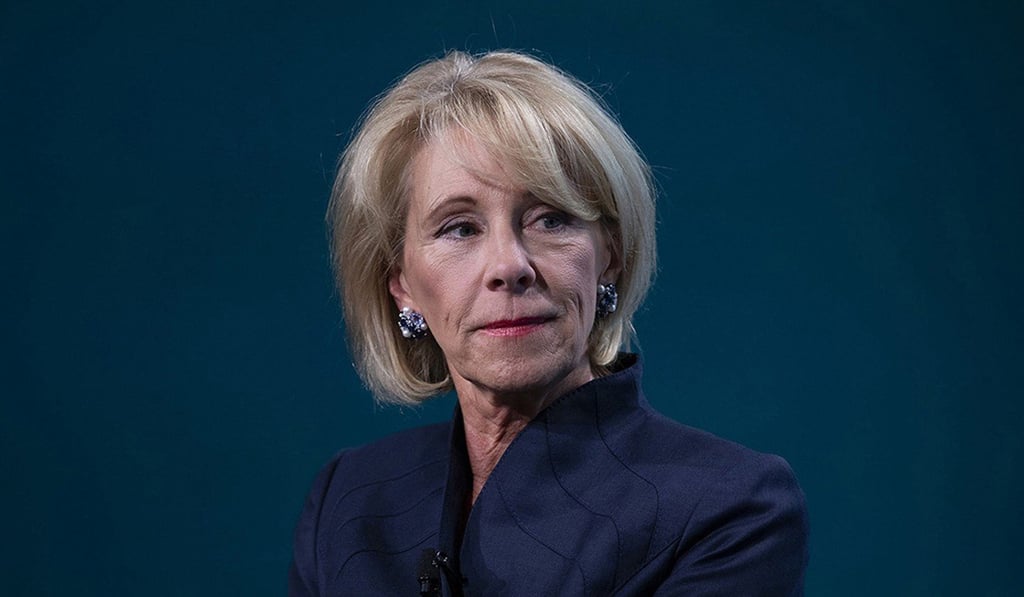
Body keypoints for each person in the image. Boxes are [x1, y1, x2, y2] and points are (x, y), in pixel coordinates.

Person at [289, 50, 808, 596]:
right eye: (460, 229)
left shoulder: (730, 509)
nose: (510, 266)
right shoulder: (346, 502)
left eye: (550, 218)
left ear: (609, 255)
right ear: (402, 286)